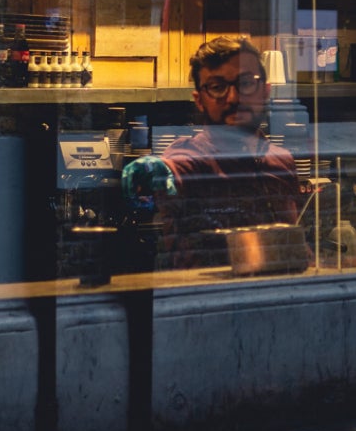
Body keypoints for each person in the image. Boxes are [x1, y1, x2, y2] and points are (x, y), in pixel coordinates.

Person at [123, 35, 306, 270]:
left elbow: (294, 242)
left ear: (266, 91)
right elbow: (174, 166)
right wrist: (155, 170)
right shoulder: (189, 156)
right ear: (199, 100)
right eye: (217, 87)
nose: (234, 98)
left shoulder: (280, 161)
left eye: (247, 83)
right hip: (204, 298)